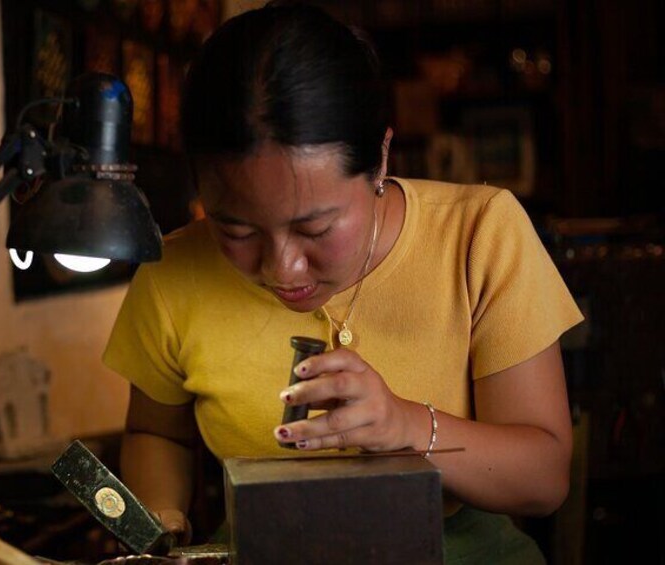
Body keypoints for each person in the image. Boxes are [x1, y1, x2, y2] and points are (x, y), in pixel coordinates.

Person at [103, 2, 583, 562]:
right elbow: (157, 434)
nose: (281, 269)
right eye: (235, 228)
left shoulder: (480, 234)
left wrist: (405, 424)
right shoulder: (173, 272)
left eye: (316, 228)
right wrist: (161, 526)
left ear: (379, 158)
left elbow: (544, 479)